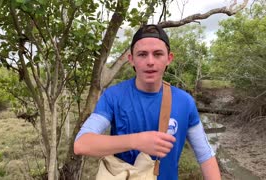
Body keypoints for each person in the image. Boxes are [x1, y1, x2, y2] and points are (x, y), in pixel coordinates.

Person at [74, 24, 221, 180]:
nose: (150, 61)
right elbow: (82, 144)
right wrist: (136, 141)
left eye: (157, 54)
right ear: (131, 59)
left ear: (169, 58)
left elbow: (205, 156)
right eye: (142, 54)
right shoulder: (113, 96)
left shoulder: (185, 102)